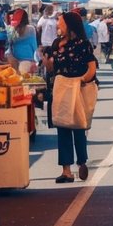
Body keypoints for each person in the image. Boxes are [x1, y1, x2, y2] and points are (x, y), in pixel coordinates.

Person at [42, 11, 98, 183]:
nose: (58, 25)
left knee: (78, 125)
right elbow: (52, 69)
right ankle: (66, 170)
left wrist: (82, 80)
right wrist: (47, 62)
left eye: (60, 22)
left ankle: (82, 161)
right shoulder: (56, 43)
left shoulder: (83, 44)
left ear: (69, 24)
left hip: (77, 88)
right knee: (62, 127)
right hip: (60, 88)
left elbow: (91, 68)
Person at [7, 9, 39, 74]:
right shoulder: (31, 29)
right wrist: (36, 60)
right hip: (28, 62)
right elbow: (34, 45)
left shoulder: (10, 30)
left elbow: (9, 47)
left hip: (14, 61)